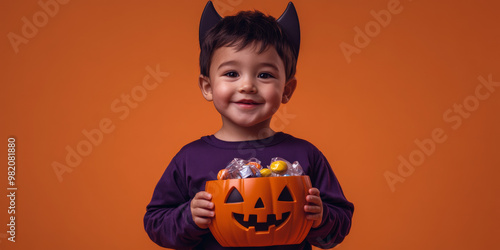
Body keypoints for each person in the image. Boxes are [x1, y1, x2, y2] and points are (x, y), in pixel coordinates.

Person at [144, 2, 354, 249]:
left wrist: (322, 217)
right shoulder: (190, 158)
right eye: (232, 73)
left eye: (264, 75)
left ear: (286, 90)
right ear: (208, 87)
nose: (247, 86)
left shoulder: (306, 155)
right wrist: (189, 217)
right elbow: (155, 223)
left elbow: (338, 227)